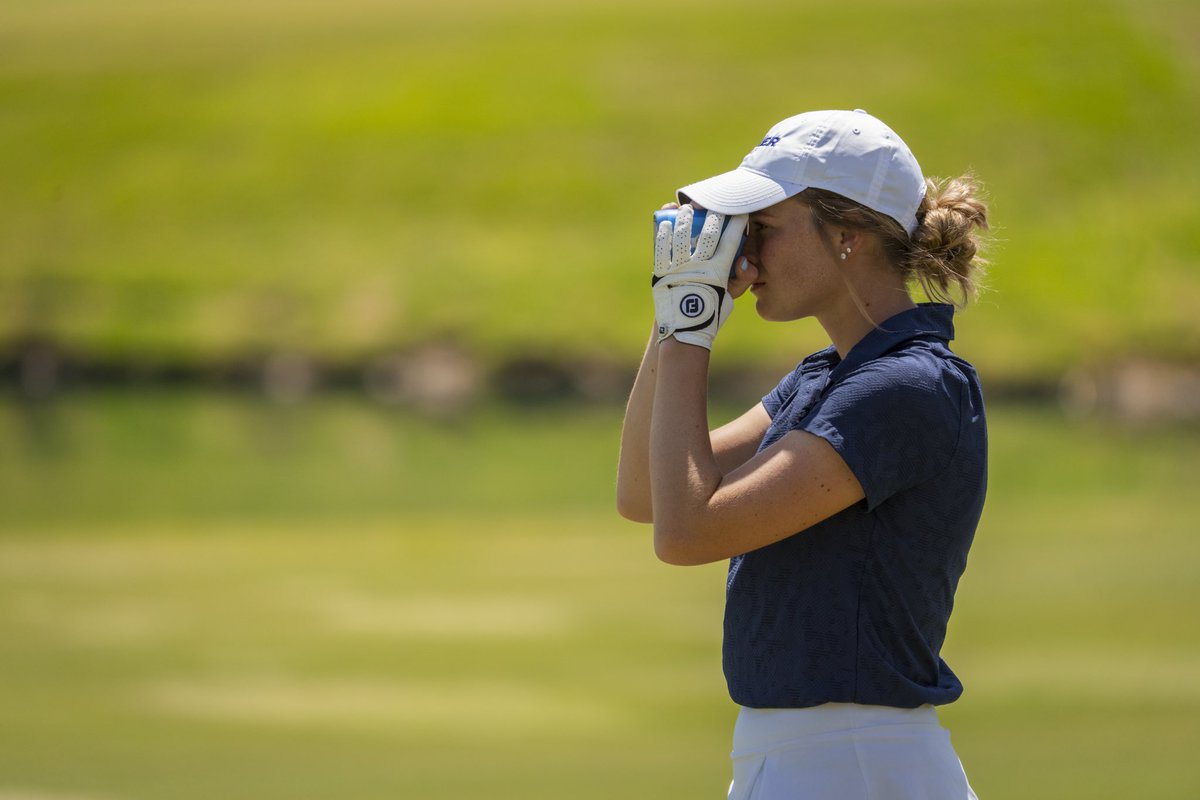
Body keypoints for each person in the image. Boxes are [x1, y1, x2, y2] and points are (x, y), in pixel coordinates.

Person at [616, 109, 990, 799]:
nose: (744, 258)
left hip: (851, 766)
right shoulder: (829, 376)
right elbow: (644, 491)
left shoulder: (905, 386)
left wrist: (693, 330)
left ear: (847, 233)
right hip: (812, 764)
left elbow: (688, 530)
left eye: (762, 229)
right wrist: (675, 313)